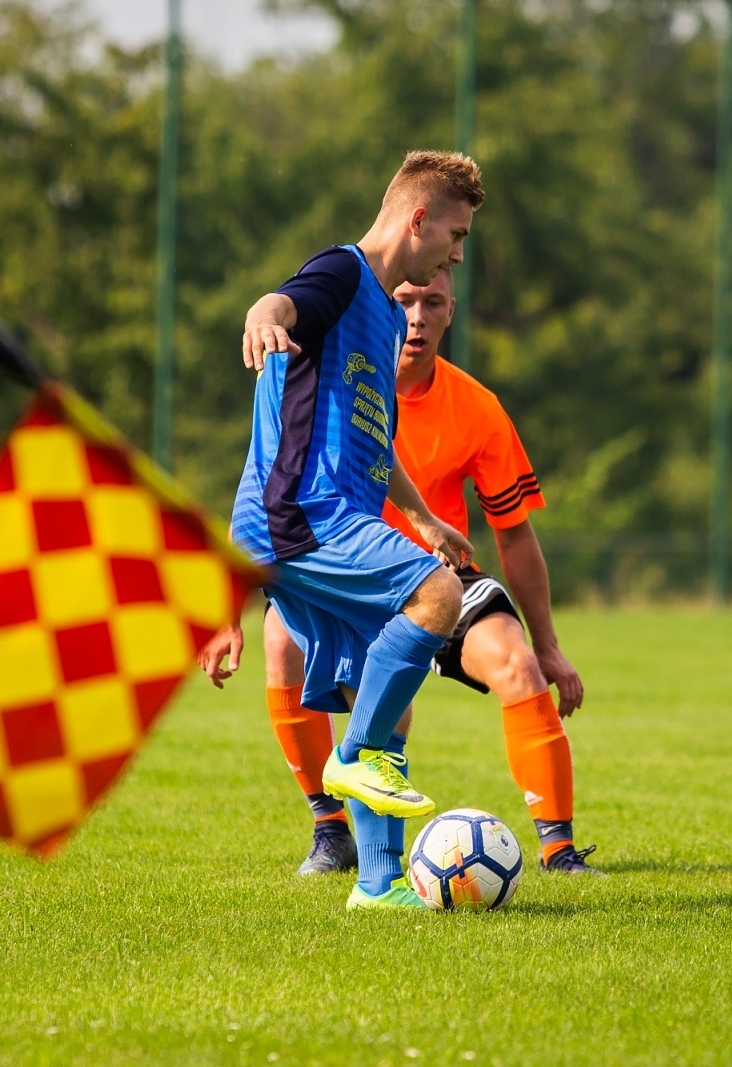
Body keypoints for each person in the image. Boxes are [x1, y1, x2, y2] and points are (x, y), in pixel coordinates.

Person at [203, 151, 484, 911]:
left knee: (385, 693)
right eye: (454, 235)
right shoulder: (342, 274)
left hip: (325, 517)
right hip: (305, 516)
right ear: (418, 218)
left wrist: (422, 514)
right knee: (436, 598)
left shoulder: (387, 316)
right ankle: (350, 758)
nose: (457, 254)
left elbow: (374, 437)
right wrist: (264, 319)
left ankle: (378, 884)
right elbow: (281, 302)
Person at [263, 268, 602, 878]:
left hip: (437, 577)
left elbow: (514, 532)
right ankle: (330, 830)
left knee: (517, 664)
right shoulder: (335, 383)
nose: (417, 317)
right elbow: (267, 485)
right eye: (406, 301)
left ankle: (559, 850)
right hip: (345, 567)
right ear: (381, 312)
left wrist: (549, 647)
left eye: (434, 303)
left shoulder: (477, 408)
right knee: (279, 641)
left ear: (451, 314)